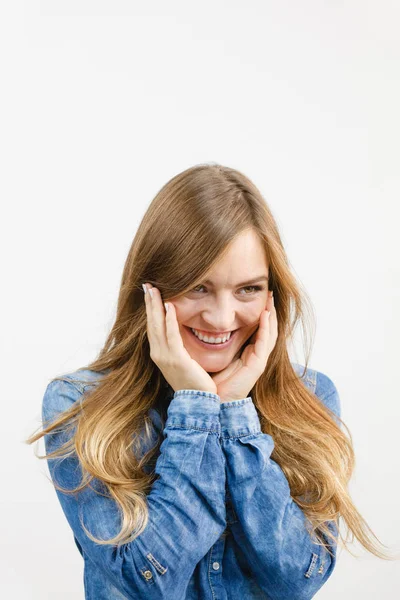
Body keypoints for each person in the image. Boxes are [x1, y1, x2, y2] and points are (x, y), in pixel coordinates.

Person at [27, 163, 396, 599]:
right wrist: (197, 408)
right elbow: (149, 582)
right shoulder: (81, 404)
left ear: (273, 295)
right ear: (152, 289)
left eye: (248, 290)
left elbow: (299, 578)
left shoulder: (311, 396)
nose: (222, 318)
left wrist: (236, 414)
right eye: (198, 288)